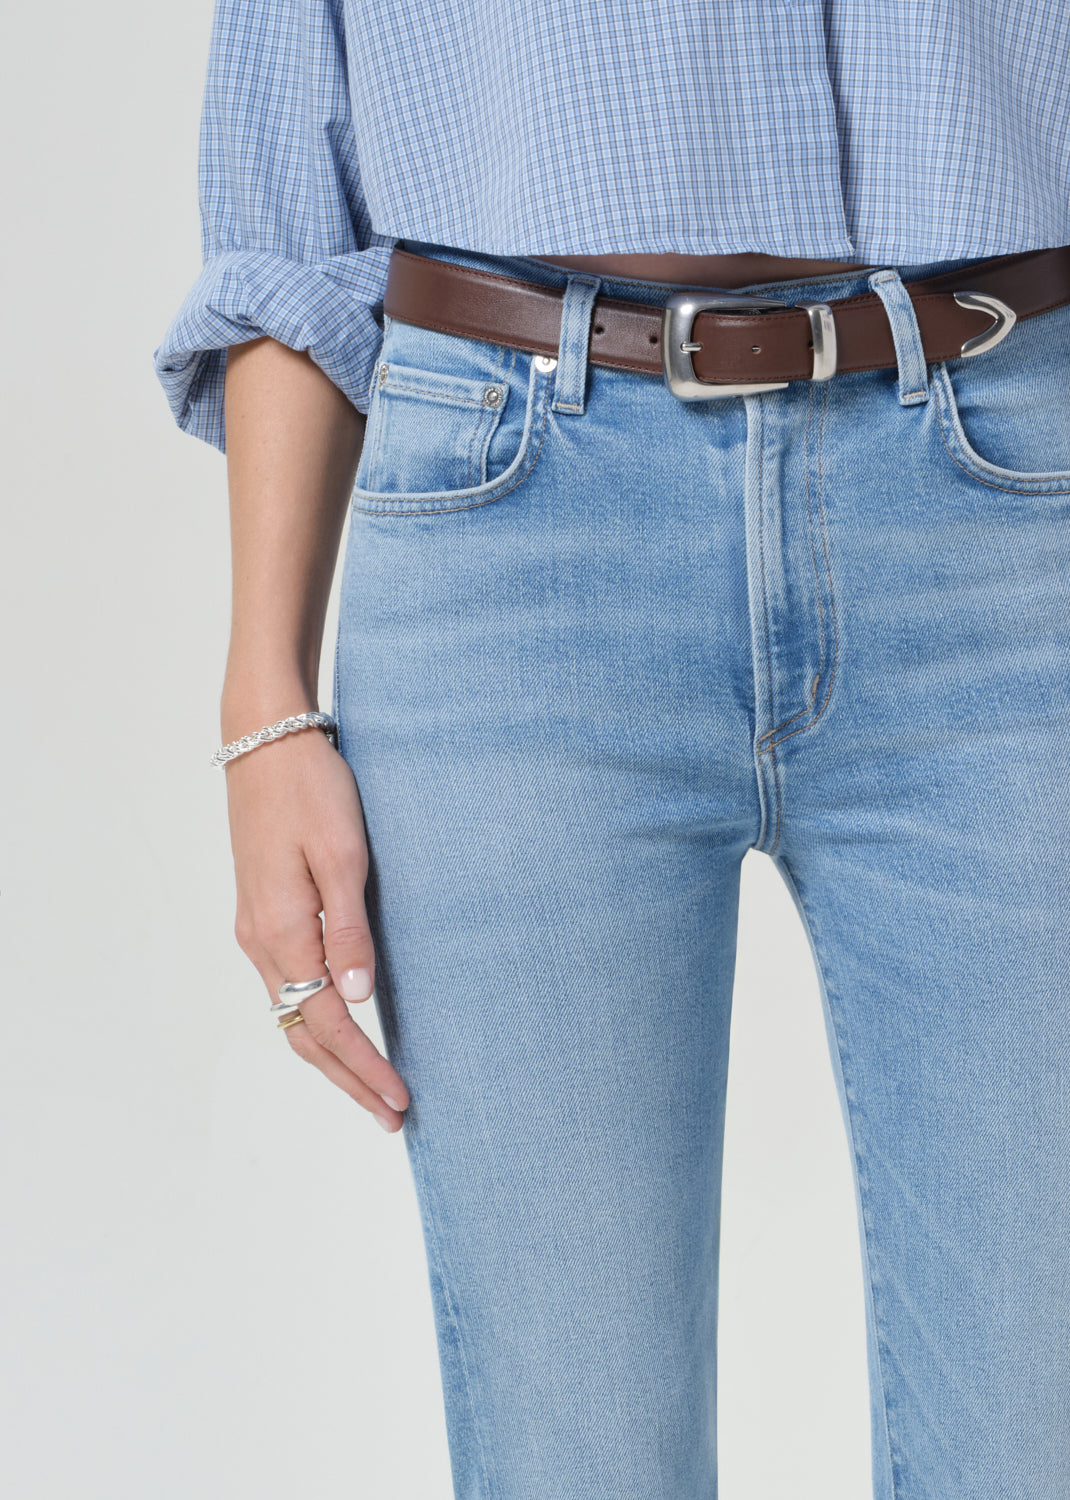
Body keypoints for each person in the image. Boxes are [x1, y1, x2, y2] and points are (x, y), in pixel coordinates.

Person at [154, 3, 1070, 1495]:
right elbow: (288, 214)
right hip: (511, 523)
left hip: (1014, 503)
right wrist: (264, 705)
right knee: (572, 1450)